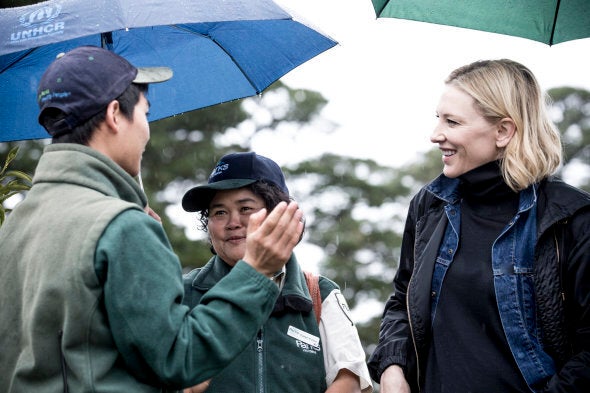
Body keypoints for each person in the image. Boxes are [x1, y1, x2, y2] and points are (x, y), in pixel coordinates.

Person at [0, 46, 304, 392]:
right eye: (145, 113)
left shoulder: (16, 222)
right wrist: (256, 272)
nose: (147, 130)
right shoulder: (121, 227)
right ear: (115, 114)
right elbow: (180, 359)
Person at [367, 59, 590, 392]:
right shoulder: (429, 206)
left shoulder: (571, 218)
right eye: (438, 118)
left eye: (452, 122)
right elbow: (403, 301)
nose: (435, 135)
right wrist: (393, 367)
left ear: (503, 131)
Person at [180, 151, 373, 393]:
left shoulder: (320, 295)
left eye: (246, 208)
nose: (233, 222)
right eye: (219, 212)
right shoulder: (182, 294)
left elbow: (349, 380)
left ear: (279, 214)